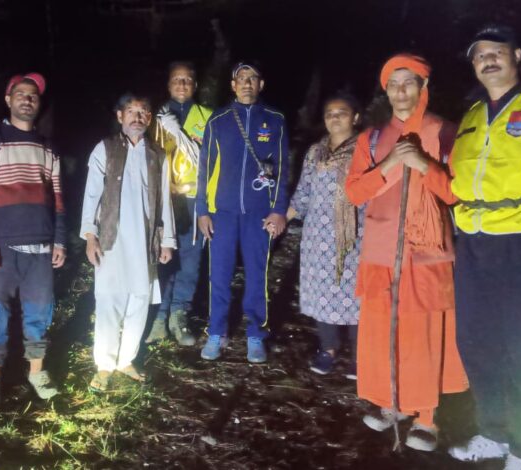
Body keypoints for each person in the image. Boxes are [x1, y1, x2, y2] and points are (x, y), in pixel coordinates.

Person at [345, 54, 468, 452]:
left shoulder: (444, 132)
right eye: (393, 84)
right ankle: (390, 401)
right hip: (380, 249)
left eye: (408, 82)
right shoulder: (372, 138)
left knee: (423, 333)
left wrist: (423, 164)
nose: (400, 91)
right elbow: (354, 192)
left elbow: (455, 192)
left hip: (426, 250)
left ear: (423, 87)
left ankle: (426, 416)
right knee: (383, 328)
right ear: (386, 90)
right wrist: (391, 163)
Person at [447, 25, 521, 470]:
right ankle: (494, 432)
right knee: (477, 341)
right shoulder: (471, 115)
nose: (488, 60)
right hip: (473, 244)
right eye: (480, 55)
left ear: (516, 55)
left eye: (496, 52)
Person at [0, 73, 65, 405]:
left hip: (41, 248)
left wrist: (60, 241)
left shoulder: (47, 147)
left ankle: (36, 370)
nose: (27, 99)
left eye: (33, 95)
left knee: (39, 311)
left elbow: (58, 199)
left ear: (39, 103)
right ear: (8, 100)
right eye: (20, 94)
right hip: (3, 248)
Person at [80, 93, 175, 391]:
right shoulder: (105, 148)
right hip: (112, 239)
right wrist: (90, 235)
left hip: (145, 240)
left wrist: (167, 240)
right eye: (131, 111)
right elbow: (92, 194)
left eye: (143, 112)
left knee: (139, 300)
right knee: (109, 299)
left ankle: (126, 359)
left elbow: (165, 200)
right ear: (120, 116)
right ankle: (105, 364)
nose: (137, 117)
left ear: (149, 118)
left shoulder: (157, 155)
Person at [196, 62, 289, 363]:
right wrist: (202, 210)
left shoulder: (275, 119)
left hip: (258, 213)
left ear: (261, 84)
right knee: (219, 274)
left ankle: (255, 333)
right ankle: (216, 331)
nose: (247, 83)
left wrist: (278, 210)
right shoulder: (219, 120)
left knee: (257, 274)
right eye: (241, 79)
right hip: (222, 212)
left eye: (252, 78)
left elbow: (283, 168)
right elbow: (204, 168)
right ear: (233, 85)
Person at [287, 93, 362, 378]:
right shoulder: (315, 152)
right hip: (317, 237)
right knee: (322, 292)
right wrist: (282, 217)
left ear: (356, 117)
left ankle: (359, 355)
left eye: (342, 112)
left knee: (355, 295)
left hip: (354, 235)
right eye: (329, 113)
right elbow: (303, 192)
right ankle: (328, 348)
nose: (334, 117)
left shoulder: (366, 150)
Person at [145, 61, 213, 346]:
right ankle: (158, 317)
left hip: (195, 198)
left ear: (195, 85)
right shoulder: (156, 117)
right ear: (168, 84)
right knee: (163, 257)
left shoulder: (208, 117)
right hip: (164, 199)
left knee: (191, 259)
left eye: (187, 80)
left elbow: (215, 163)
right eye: (176, 79)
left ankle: (179, 315)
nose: (182, 84)